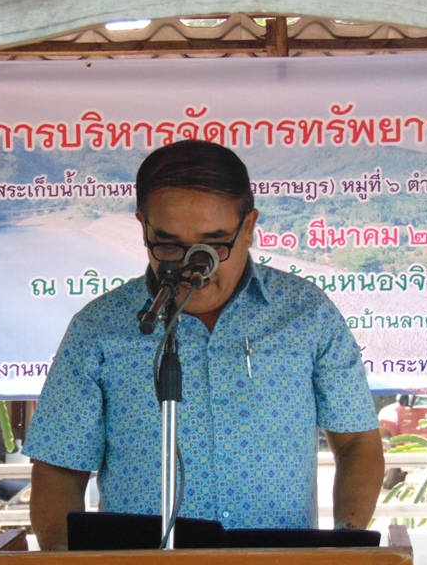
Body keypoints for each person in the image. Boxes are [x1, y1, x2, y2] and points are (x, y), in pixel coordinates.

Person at [23, 140, 384, 551]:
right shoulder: (98, 329)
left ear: (249, 228)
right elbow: (59, 469)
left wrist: (346, 546)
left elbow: (357, 443)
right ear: (143, 227)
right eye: (169, 245)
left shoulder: (307, 314)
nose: (193, 265)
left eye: (214, 244)